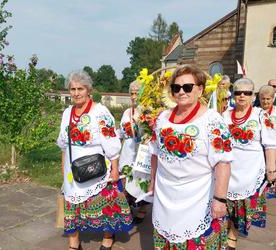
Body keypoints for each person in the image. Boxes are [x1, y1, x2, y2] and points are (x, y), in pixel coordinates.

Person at [149, 64, 232, 249]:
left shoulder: (212, 120)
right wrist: (152, 180)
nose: (181, 92)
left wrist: (220, 199)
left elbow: (223, 161)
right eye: (176, 88)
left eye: (187, 87)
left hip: (198, 195)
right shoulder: (162, 118)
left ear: (200, 89)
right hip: (166, 193)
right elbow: (155, 152)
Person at [56, 70, 133, 250]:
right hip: (73, 167)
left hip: (96, 167)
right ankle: (74, 243)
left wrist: (115, 169)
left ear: (89, 90)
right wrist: (63, 170)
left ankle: (107, 236)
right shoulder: (67, 112)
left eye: (80, 89)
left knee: (105, 203)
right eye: (72, 89)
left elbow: (111, 141)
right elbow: (63, 144)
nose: (76, 93)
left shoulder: (100, 111)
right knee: (71, 204)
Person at [222, 78, 276, 249]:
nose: (242, 95)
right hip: (229, 166)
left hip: (251, 169)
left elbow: (270, 144)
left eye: (247, 92)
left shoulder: (261, 115)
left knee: (242, 204)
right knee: (227, 201)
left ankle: (233, 234)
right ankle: (228, 228)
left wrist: (271, 169)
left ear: (254, 96)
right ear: (234, 95)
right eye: (238, 92)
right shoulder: (224, 115)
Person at [119, 80, 151, 224]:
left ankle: (143, 208)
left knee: (142, 181)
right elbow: (121, 132)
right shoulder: (127, 112)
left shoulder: (148, 112)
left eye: (136, 93)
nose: (133, 97)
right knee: (126, 181)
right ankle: (127, 207)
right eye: (131, 93)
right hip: (127, 152)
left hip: (142, 153)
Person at [259, 85, 276, 199]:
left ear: (273, 98)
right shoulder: (257, 113)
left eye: (268, 99)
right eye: (263, 99)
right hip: (262, 149)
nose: (265, 101)